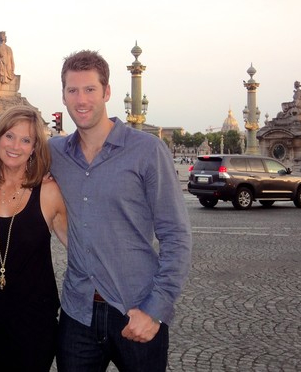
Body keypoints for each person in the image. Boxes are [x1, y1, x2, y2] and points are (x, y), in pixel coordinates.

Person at [48, 50, 192, 371]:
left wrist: (155, 309)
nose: (81, 99)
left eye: (90, 89)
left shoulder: (147, 151)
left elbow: (176, 236)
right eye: (73, 90)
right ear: (63, 95)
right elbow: (10, 168)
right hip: (78, 313)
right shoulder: (54, 152)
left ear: (107, 92)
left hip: (137, 308)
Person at [0, 105, 67, 372]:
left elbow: (81, 248)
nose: (15, 146)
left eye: (26, 140)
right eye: (9, 136)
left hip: (33, 328)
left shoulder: (48, 193)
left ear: (34, 148)